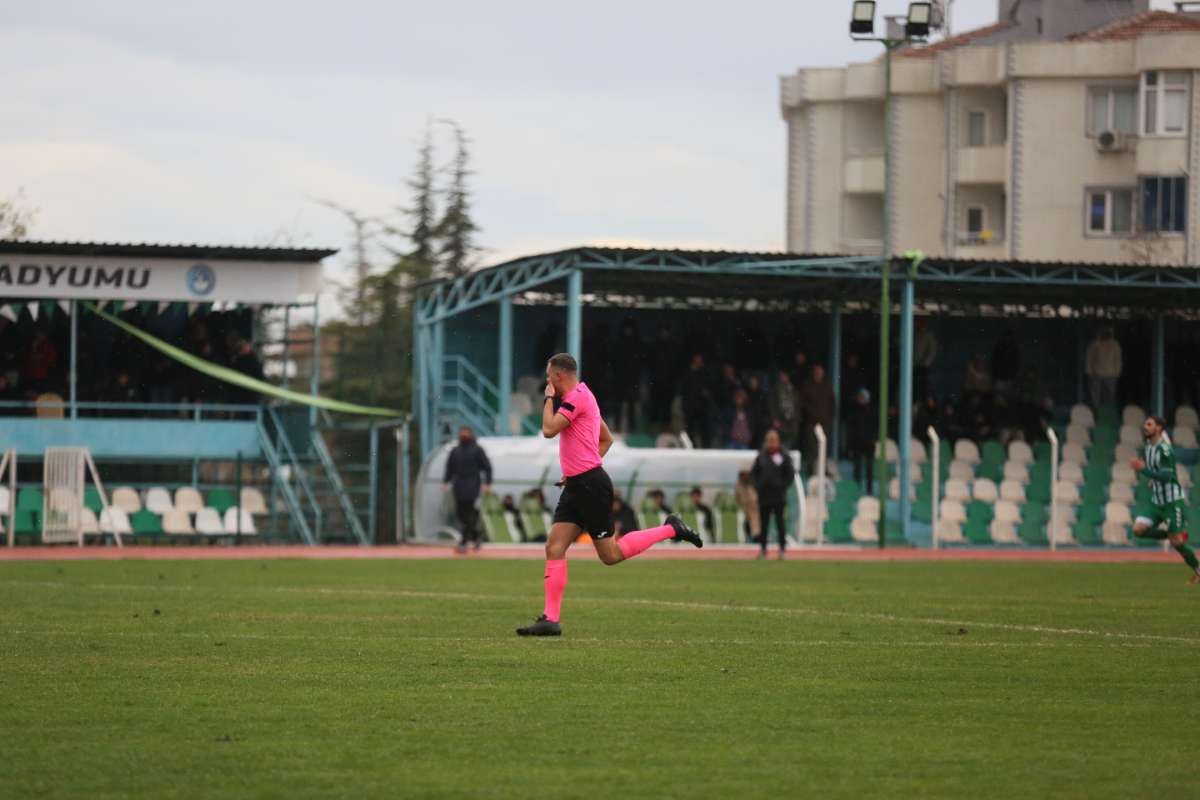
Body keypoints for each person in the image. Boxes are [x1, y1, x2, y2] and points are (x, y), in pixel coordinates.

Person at [516, 353, 702, 637]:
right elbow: (606, 439)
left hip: (591, 486)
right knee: (554, 546)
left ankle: (670, 528)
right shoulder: (584, 396)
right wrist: (577, 470)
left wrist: (548, 399)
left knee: (611, 555)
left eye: (548, 375)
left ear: (559, 376)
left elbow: (548, 429)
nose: (546, 380)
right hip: (578, 484)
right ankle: (550, 620)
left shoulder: (576, 398)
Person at [1130, 415, 1200, 584]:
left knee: (1177, 543)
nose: (1145, 426)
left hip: (1172, 501)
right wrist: (1152, 479)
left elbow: (1168, 477)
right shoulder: (1148, 447)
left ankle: (1198, 570)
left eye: (1149, 424)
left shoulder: (1165, 450)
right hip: (1156, 502)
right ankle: (1172, 534)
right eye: (1145, 423)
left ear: (1159, 428)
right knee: (1138, 530)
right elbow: (1157, 471)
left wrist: (1144, 471)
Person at [442, 426, 493, 553]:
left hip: (472, 485)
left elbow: (487, 467)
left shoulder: (477, 450)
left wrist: (487, 483)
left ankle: (464, 542)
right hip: (458, 486)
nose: (464, 435)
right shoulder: (455, 451)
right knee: (460, 513)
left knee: (469, 513)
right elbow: (449, 468)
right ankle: (476, 535)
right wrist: (446, 481)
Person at [751, 429, 795, 560]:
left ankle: (782, 550)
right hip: (764, 496)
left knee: (780, 523)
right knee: (763, 525)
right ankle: (763, 550)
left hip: (778, 496)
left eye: (773, 440)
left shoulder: (784, 456)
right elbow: (754, 474)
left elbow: (790, 474)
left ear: (778, 441)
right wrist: (758, 486)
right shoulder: (761, 456)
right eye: (769, 440)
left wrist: (782, 486)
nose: (771, 443)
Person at [799, 364, 835, 476]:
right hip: (811, 423)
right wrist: (812, 415)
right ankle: (810, 471)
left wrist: (830, 418)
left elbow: (833, 404)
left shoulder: (827, 386)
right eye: (817, 372)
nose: (818, 374)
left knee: (824, 448)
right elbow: (803, 404)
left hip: (825, 423)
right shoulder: (807, 386)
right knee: (811, 448)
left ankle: (823, 470)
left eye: (820, 372)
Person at [845, 388, 876, 493]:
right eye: (860, 397)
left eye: (863, 397)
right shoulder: (854, 412)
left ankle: (869, 491)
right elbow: (851, 430)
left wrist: (873, 439)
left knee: (869, 470)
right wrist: (850, 446)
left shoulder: (872, 411)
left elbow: (875, 428)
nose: (861, 399)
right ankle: (856, 490)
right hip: (857, 444)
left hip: (869, 444)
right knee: (857, 469)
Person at [679, 354, 713, 448]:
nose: (698, 362)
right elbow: (684, 389)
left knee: (704, 429)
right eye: (696, 360)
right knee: (690, 430)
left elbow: (709, 387)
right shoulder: (688, 373)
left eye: (700, 360)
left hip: (702, 407)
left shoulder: (705, 373)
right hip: (690, 406)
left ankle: (706, 447)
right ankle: (691, 447)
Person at [1086, 327, 1122, 410]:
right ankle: (1096, 409)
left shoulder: (1115, 345)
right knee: (1096, 394)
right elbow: (1089, 358)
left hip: (1111, 374)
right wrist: (1089, 372)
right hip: (1097, 373)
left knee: (1110, 394)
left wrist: (1117, 372)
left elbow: (1118, 359)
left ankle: (1107, 409)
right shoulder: (1095, 344)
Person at [768, 370, 801, 449]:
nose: (783, 377)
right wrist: (774, 418)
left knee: (791, 440)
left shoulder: (793, 389)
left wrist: (797, 418)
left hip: (792, 420)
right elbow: (771, 405)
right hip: (780, 420)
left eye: (785, 376)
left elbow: (797, 404)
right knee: (779, 440)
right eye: (782, 376)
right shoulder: (775, 389)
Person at [735, 470, 761, 545]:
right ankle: (746, 543)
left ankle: (757, 543)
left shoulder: (754, 483)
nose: (745, 476)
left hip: (755, 510)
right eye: (744, 475)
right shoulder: (739, 485)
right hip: (744, 510)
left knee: (756, 529)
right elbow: (737, 498)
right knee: (745, 528)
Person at [913, 321, 937, 399]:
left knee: (923, 384)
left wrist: (926, 363)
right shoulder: (913, 334)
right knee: (914, 384)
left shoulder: (929, 335)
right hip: (914, 365)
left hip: (924, 366)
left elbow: (932, 350)